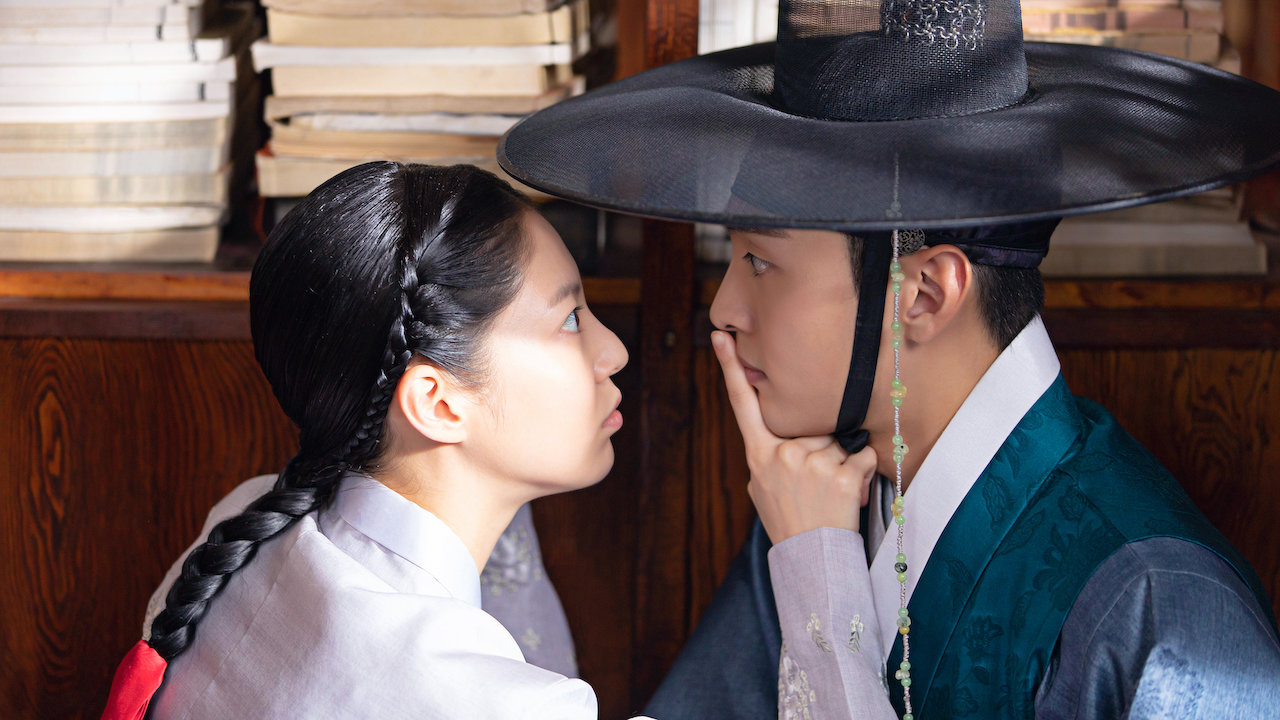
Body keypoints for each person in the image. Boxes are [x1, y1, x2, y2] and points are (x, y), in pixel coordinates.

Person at [496, 0, 1280, 717]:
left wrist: (816, 570)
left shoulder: (1161, 613)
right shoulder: (819, 493)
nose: (724, 310)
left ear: (924, 294)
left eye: (760, 262)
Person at [100, 161, 645, 719]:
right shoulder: (497, 705)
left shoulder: (247, 516)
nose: (615, 352)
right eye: (570, 320)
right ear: (437, 403)